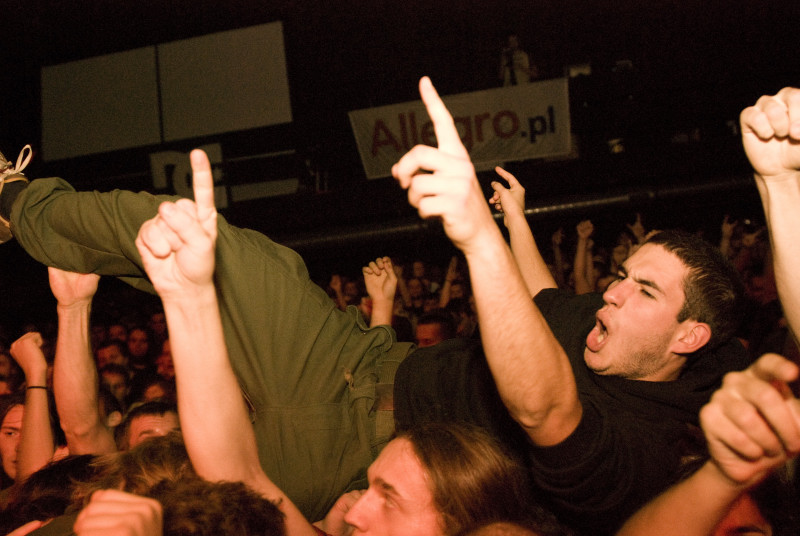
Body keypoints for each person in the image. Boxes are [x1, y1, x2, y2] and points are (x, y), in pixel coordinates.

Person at [392, 77, 751, 534]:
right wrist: (515, 218)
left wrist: (481, 236)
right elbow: (549, 301)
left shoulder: (654, 443)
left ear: (689, 335)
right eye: (623, 275)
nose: (613, 292)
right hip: (402, 362)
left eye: (646, 290)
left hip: (398, 426)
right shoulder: (609, 329)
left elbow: (547, 412)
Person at [0, 145, 414, 521]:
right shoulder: (205, 481)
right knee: (198, 242)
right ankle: (17, 203)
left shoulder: (127, 496)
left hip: (345, 403)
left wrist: (69, 315)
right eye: (149, 439)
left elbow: (82, 433)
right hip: (353, 397)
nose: (160, 440)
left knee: (191, 238)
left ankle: (14, 203)